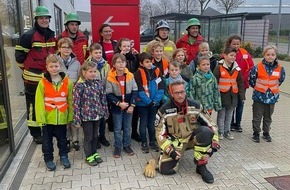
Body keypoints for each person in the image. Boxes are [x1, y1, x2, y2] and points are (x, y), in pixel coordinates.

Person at [144, 81, 219, 184]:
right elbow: (159, 134)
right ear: (171, 94)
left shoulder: (196, 106)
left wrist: (215, 142)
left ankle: (201, 166)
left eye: (182, 92)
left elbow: (211, 124)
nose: (180, 95)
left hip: (192, 139)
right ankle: (154, 162)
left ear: (185, 91)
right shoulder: (164, 110)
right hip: (175, 142)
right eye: (177, 93)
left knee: (206, 132)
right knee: (166, 170)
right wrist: (170, 151)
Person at [15, 6, 57, 144]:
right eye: (41, 18)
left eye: (46, 18)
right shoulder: (28, 36)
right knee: (32, 106)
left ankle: (47, 129)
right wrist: (28, 72)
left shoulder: (51, 35)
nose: (44, 20)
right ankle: (35, 133)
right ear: (36, 19)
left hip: (47, 79)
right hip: (32, 80)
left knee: (46, 105)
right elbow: (19, 58)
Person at [35, 54, 73, 171]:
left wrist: (70, 116)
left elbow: (70, 100)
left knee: (62, 140)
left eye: (56, 66)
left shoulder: (67, 82)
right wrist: (41, 119)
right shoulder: (42, 83)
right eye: (51, 66)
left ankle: (63, 156)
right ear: (47, 67)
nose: (54, 69)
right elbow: (39, 101)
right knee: (47, 142)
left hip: (62, 118)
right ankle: (48, 159)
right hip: (48, 119)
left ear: (60, 66)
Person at [73, 60, 109, 166]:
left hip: (97, 114)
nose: (93, 74)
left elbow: (103, 98)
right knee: (88, 137)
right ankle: (88, 156)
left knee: (95, 135)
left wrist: (105, 111)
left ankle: (94, 153)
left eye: (94, 71)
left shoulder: (98, 83)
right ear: (84, 72)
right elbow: (76, 103)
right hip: (86, 116)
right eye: (90, 72)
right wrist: (77, 119)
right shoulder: (79, 86)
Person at [249, 45, 285, 143]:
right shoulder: (257, 67)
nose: (270, 56)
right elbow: (252, 80)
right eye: (268, 54)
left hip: (272, 98)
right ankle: (256, 133)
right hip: (259, 97)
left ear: (276, 55)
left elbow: (281, 80)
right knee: (257, 116)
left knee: (268, 117)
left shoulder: (280, 69)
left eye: (273, 54)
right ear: (264, 55)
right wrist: (259, 89)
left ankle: (266, 133)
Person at [106, 53, 138, 158]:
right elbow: (109, 94)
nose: (121, 64)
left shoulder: (130, 75)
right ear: (114, 64)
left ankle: (127, 145)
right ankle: (118, 146)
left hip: (129, 106)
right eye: (118, 62)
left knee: (128, 127)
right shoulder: (110, 77)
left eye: (123, 62)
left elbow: (135, 90)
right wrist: (119, 103)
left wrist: (132, 105)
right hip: (117, 108)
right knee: (117, 128)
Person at [134, 52, 164, 153]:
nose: (149, 64)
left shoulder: (156, 71)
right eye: (147, 62)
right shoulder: (137, 73)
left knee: (151, 124)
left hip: (154, 104)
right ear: (141, 63)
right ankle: (144, 143)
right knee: (143, 123)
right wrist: (148, 102)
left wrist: (155, 101)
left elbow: (161, 87)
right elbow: (139, 90)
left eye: (150, 61)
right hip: (142, 104)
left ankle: (152, 142)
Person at [213, 47, 245, 140]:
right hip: (222, 96)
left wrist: (241, 96)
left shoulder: (237, 69)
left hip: (233, 96)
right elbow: (214, 82)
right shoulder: (219, 67)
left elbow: (240, 83)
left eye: (234, 56)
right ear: (225, 55)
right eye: (231, 55)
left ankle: (227, 131)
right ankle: (220, 132)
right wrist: (215, 96)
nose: (233, 57)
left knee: (229, 115)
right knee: (221, 114)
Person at [225, 35, 254, 132]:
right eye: (234, 44)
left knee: (240, 104)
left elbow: (251, 67)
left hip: (242, 85)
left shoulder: (245, 53)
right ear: (229, 44)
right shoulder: (226, 54)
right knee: (231, 104)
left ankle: (238, 124)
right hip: (230, 84)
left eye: (238, 44)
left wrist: (243, 79)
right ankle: (231, 123)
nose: (236, 46)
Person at [114, 38, 141, 142]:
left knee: (134, 112)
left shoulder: (134, 57)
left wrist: (137, 56)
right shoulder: (117, 58)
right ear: (120, 47)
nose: (126, 48)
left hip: (131, 88)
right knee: (119, 115)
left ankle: (134, 132)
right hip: (119, 89)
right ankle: (120, 135)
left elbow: (139, 68)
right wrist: (122, 57)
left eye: (128, 46)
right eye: (124, 46)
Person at [57, 37, 81, 151]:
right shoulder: (55, 62)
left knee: (73, 117)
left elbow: (80, 77)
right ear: (59, 48)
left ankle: (75, 139)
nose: (66, 49)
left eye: (69, 47)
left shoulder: (76, 63)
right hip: (60, 95)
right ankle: (65, 139)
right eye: (64, 47)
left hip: (73, 94)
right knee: (64, 118)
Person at [86, 43, 111, 148]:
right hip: (92, 96)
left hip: (103, 95)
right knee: (94, 118)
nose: (98, 55)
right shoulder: (87, 65)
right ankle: (94, 138)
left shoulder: (106, 64)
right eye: (95, 53)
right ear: (91, 53)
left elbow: (109, 79)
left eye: (100, 52)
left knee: (103, 118)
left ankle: (102, 136)